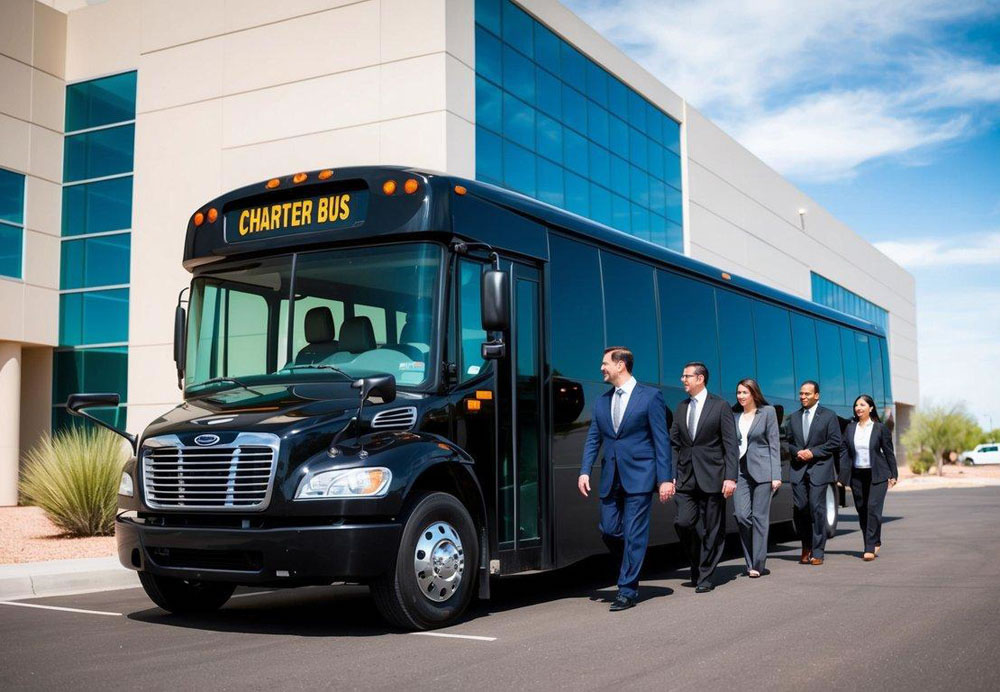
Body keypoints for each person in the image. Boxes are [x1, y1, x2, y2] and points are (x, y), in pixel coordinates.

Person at [579, 347, 673, 611]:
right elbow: (593, 439)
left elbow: (661, 440)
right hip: (611, 476)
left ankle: (627, 589)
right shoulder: (601, 401)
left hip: (641, 476)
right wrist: (585, 470)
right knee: (609, 529)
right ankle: (631, 562)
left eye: (605, 363)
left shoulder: (650, 397)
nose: (601, 368)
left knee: (634, 533)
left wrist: (665, 478)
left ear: (621, 365)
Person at [670, 362, 738, 593]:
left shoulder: (720, 406)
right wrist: (671, 475)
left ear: (700, 379)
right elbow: (675, 444)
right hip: (686, 477)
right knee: (683, 522)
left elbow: (730, 445)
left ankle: (706, 574)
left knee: (712, 528)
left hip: (713, 476)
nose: (682, 380)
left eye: (686, 376)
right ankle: (697, 562)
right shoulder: (681, 408)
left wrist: (731, 477)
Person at [783, 380, 841, 566]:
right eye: (801, 394)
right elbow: (788, 442)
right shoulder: (793, 417)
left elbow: (834, 442)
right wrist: (796, 452)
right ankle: (806, 545)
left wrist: (813, 452)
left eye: (807, 394)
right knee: (801, 509)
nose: (803, 397)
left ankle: (817, 551)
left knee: (817, 509)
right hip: (799, 469)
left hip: (820, 469)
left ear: (817, 395)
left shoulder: (829, 416)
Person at [732, 378, 781, 578]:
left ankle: (756, 564)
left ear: (754, 393)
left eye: (745, 392)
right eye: (739, 393)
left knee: (760, 518)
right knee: (742, 515)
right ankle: (750, 559)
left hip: (763, 470)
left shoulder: (767, 413)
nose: (741, 396)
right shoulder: (734, 415)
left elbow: (774, 443)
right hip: (739, 470)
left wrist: (776, 475)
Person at [839, 394, 898, 560]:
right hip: (857, 475)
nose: (858, 408)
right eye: (856, 405)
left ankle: (869, 547)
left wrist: (893, 474)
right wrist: (843, 476)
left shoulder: (880, 428)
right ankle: (874, 540)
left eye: (862, 405)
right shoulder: (850, 428)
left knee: (873, 508)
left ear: (870, 408)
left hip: (878, 474)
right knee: (863, 511)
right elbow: (844, 451)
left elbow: (888, 452)